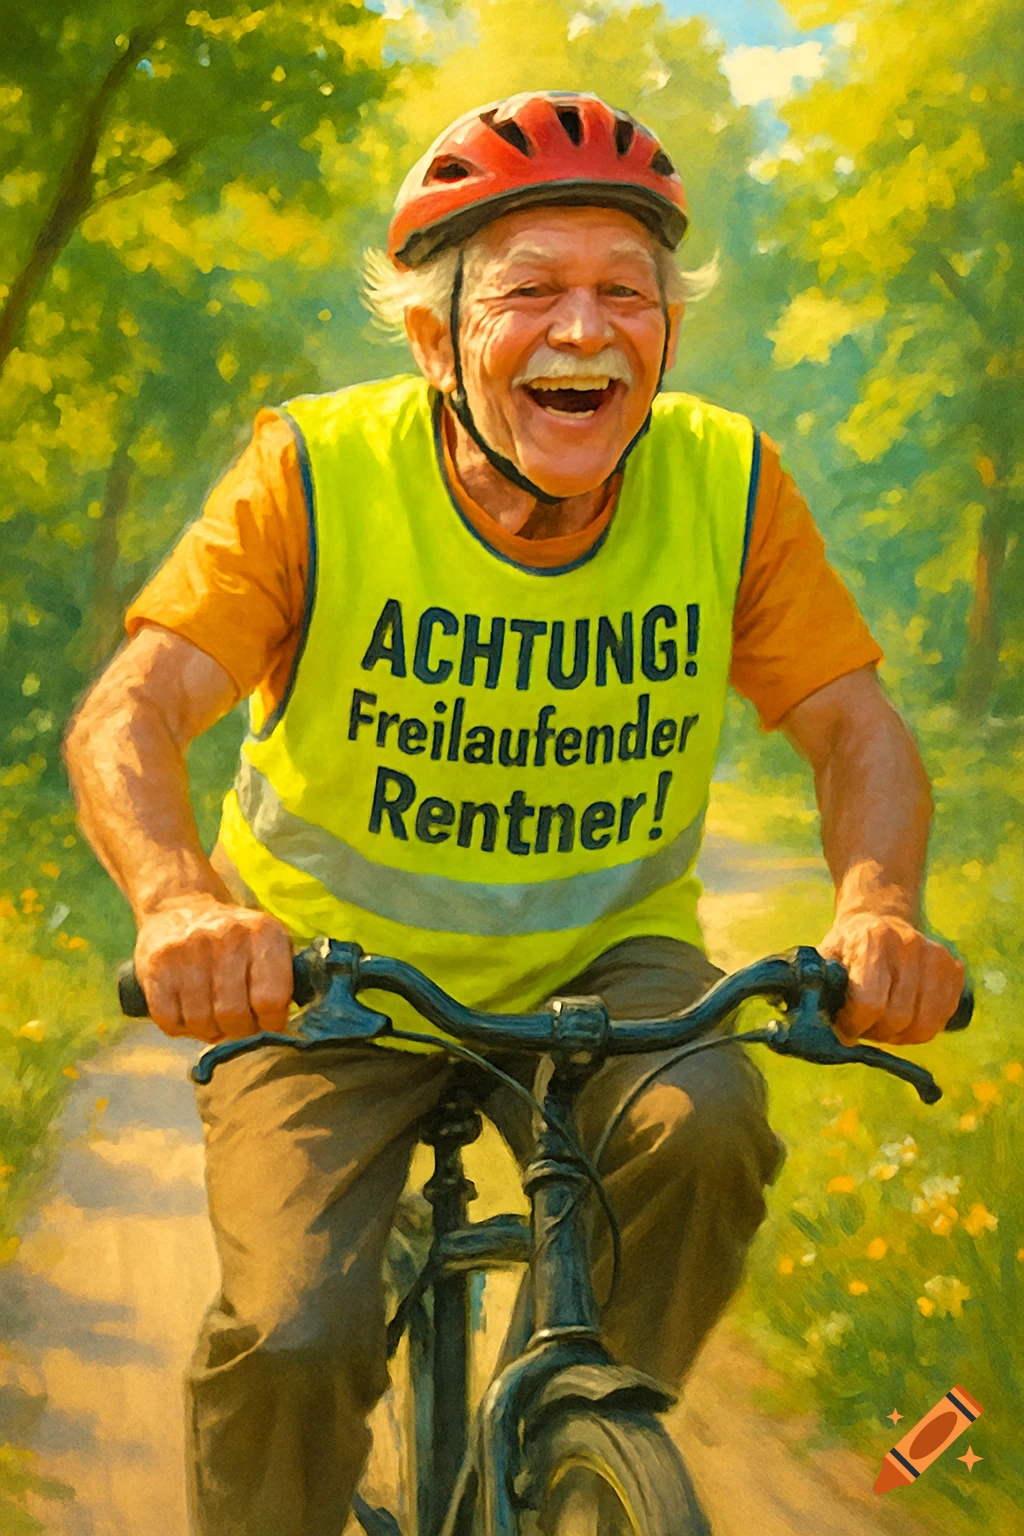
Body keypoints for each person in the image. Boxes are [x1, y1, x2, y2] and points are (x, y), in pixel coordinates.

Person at [64, 92, 964, 1536]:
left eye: (627, 294)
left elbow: (854, 723)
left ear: (670, 330)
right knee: (295, 1336)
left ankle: (575, 1450)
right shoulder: (315, 472)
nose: (585, 331)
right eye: (529, 291)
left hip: (611, 965)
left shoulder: (726, 484)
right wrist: (180, 901)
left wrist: (879, 906)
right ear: (434, 336)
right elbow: (132, 709)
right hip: (328, 977)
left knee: (711, 1126)